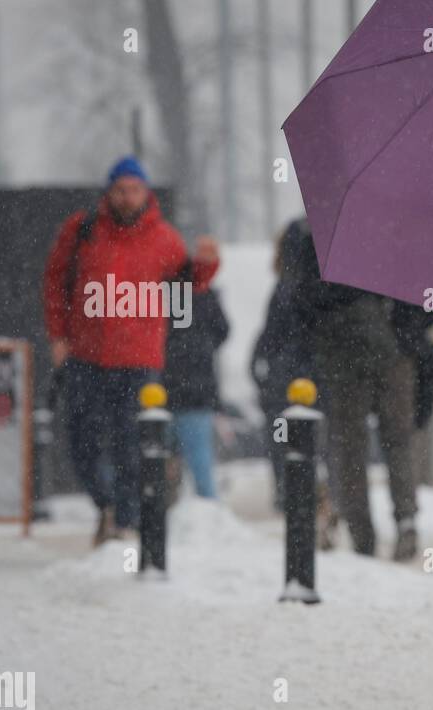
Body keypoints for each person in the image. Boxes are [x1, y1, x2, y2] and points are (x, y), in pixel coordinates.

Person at [42, 155, 219, 543]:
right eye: (120, 189)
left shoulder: (165, 238)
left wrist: (206, 265)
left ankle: (125, 521)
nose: (127, 197)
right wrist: (58, 336)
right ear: (109, 191)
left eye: (134, 189)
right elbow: (56, 282)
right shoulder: (82, 230)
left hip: (138, 360)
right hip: (86, 356)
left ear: (146, 192)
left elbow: (185, 287)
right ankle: (105, 503)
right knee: (81, 439)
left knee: (131, 444)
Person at [288, 220, 427, 562]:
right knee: (390, 441)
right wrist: (404, 333)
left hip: (351, 354)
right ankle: (395, 524)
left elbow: (301, 300)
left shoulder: (320, 235)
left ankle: (368, 532)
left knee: (354, 445)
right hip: (379, 353)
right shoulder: (398, 230)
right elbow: (427, 297)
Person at [252, 222, 316, 509]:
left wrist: (259, 369)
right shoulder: (314, 285)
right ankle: (306, 490)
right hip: (311, 371)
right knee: (311, 436)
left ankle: (286, 491)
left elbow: (269, 334)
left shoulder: (284, 286)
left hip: (283, 373)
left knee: (281, 437)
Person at [163, 286, 230, 499]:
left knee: (158, 460)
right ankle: (208, 512)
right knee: (200, 462)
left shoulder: (156, 290)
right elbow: (223, 330)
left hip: (163, 390)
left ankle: (163, 511)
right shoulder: (203, 292)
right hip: (197, 391)